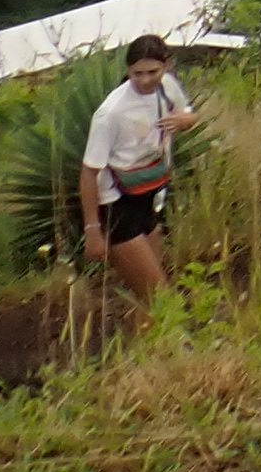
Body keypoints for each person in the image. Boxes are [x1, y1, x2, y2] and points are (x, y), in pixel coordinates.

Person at [78, 33, 198, 301]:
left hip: (149, 196)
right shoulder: (111, 113)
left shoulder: (167, 86)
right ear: (128, 71)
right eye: (137, 73)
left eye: (152, 72)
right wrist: (92, 231)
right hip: (117, 205)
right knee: (159, 297)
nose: (145, 80)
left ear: (166, 65)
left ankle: (146, 342)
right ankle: (174, 343)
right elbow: (88, 172)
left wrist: (184, 121)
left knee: (148, 296)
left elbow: (189, 114)